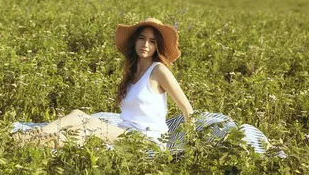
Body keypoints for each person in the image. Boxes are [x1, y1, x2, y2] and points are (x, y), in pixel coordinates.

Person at [13, 18, 193, 149]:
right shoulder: (132, 71)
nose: (145, 44)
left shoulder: (159, 71)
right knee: (78, 115)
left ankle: (31, 144)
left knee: (93, 126)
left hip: (147, 139)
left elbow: (187, 109)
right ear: (134, 41)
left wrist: (193, 141)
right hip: (125, 131)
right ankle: (28, 136)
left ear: (157, 46)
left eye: (152, 41)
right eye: (141, 38)